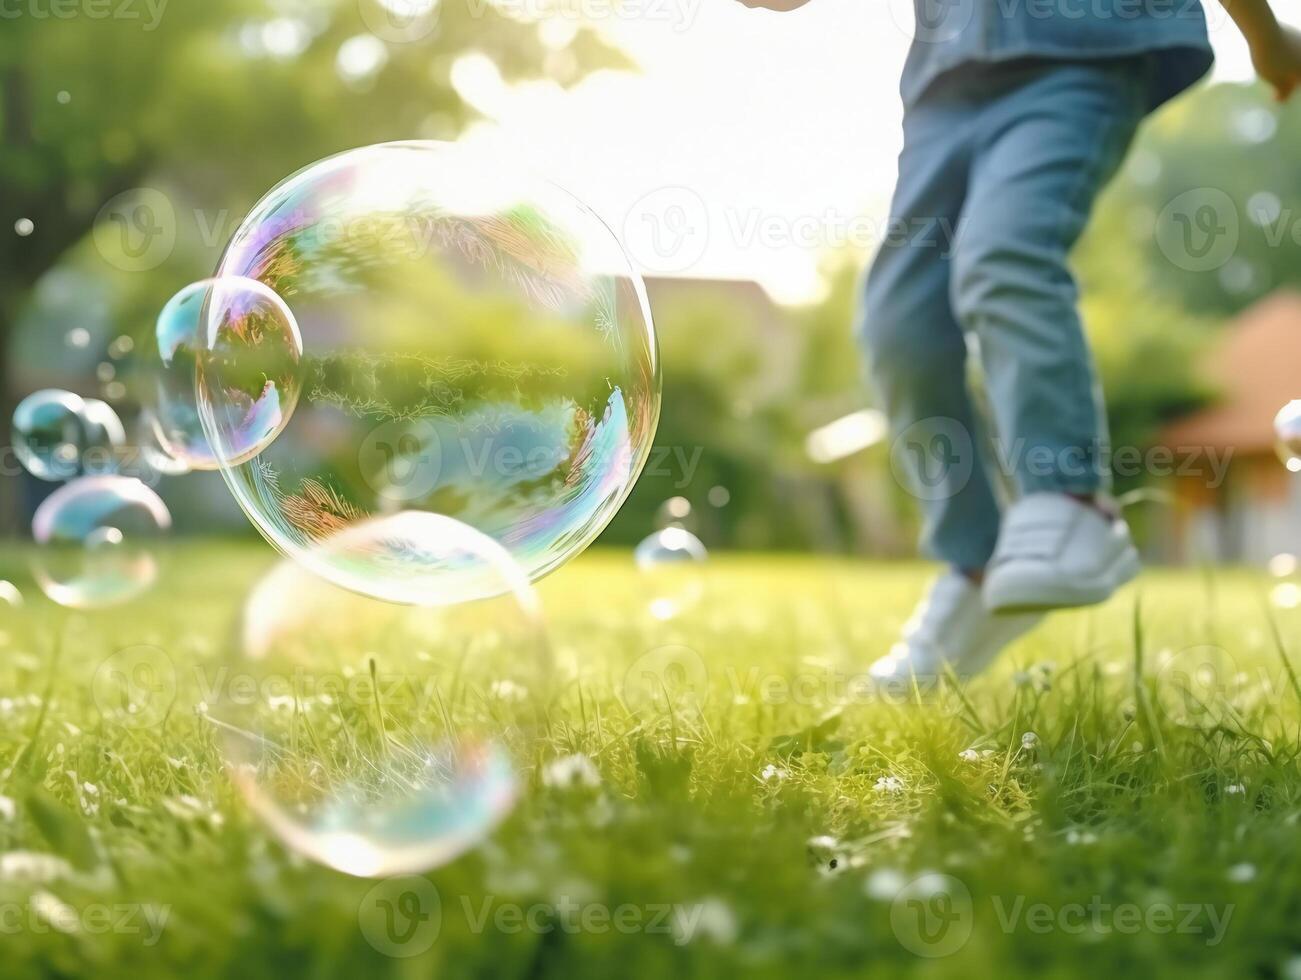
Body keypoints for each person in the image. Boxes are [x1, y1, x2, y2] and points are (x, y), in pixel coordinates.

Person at [736, 0, 1301, 680]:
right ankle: (973, 567)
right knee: (897, 322)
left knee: (1002, 254)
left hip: (1080, 48)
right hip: (943, 85)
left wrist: (1264, 38)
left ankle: (1067, 500)